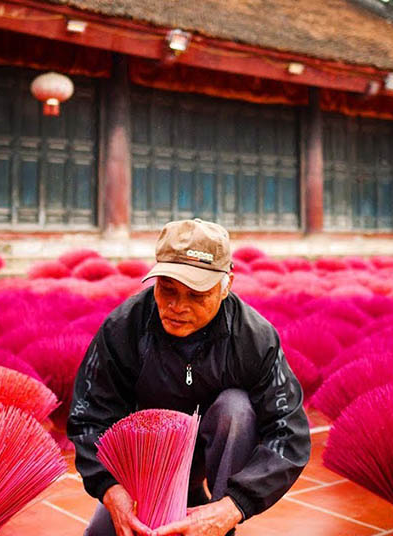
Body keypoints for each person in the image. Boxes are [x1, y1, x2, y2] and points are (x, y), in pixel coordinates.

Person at [67, 219, 310, 536]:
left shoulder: (254, 339)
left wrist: (232, 507)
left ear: (227, 285)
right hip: (145, 465)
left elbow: (289, 434)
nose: (177, 307)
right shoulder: (123, 328)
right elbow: (89, 418)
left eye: (196, 295)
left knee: (236, 408)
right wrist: (111, 489)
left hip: (214, 458)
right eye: (167, 289)